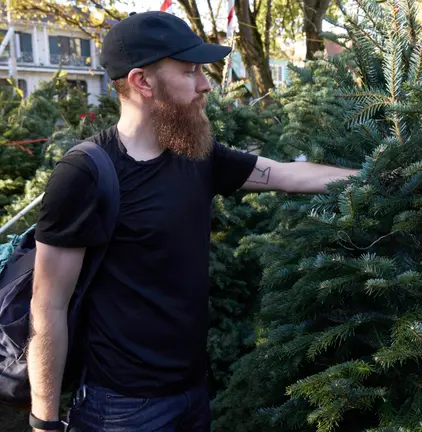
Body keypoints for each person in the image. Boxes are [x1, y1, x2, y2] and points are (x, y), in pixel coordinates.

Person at [27, 11, 358, 432]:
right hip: (122, 409)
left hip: (192, 394)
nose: (206, 84)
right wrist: (44, 420)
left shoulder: (195, 153)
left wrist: (380, 174)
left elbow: (283, 173)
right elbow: (47, 304)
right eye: (190, 72)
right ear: (142, 82)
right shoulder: (85, 175)